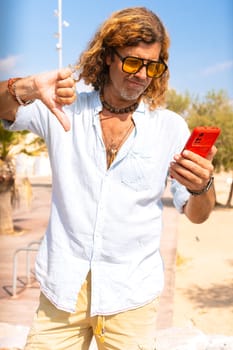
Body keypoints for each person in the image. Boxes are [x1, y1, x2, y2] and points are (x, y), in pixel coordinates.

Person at [0, 7, 216, 350]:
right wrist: (23, 86)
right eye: (133, 62)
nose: (143, 74)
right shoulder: (62, 109)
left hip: (132, 297)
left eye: (153, 66)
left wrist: (203, 185)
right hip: (62, 293)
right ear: (106, 58)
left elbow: (197, 213)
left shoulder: (170, 128)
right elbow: (4, 107)